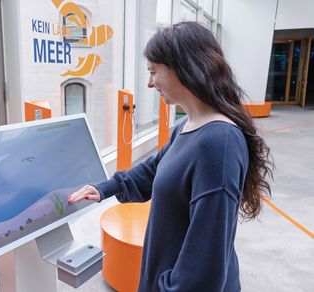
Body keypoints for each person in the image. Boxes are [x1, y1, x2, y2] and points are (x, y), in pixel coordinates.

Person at [68, 21, 273, 292]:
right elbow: (154, 169)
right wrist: (103, 188)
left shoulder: (218, 143)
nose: (150, 83)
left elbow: (205, 270)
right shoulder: (188, 126)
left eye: (154, 72)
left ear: (185, 69)